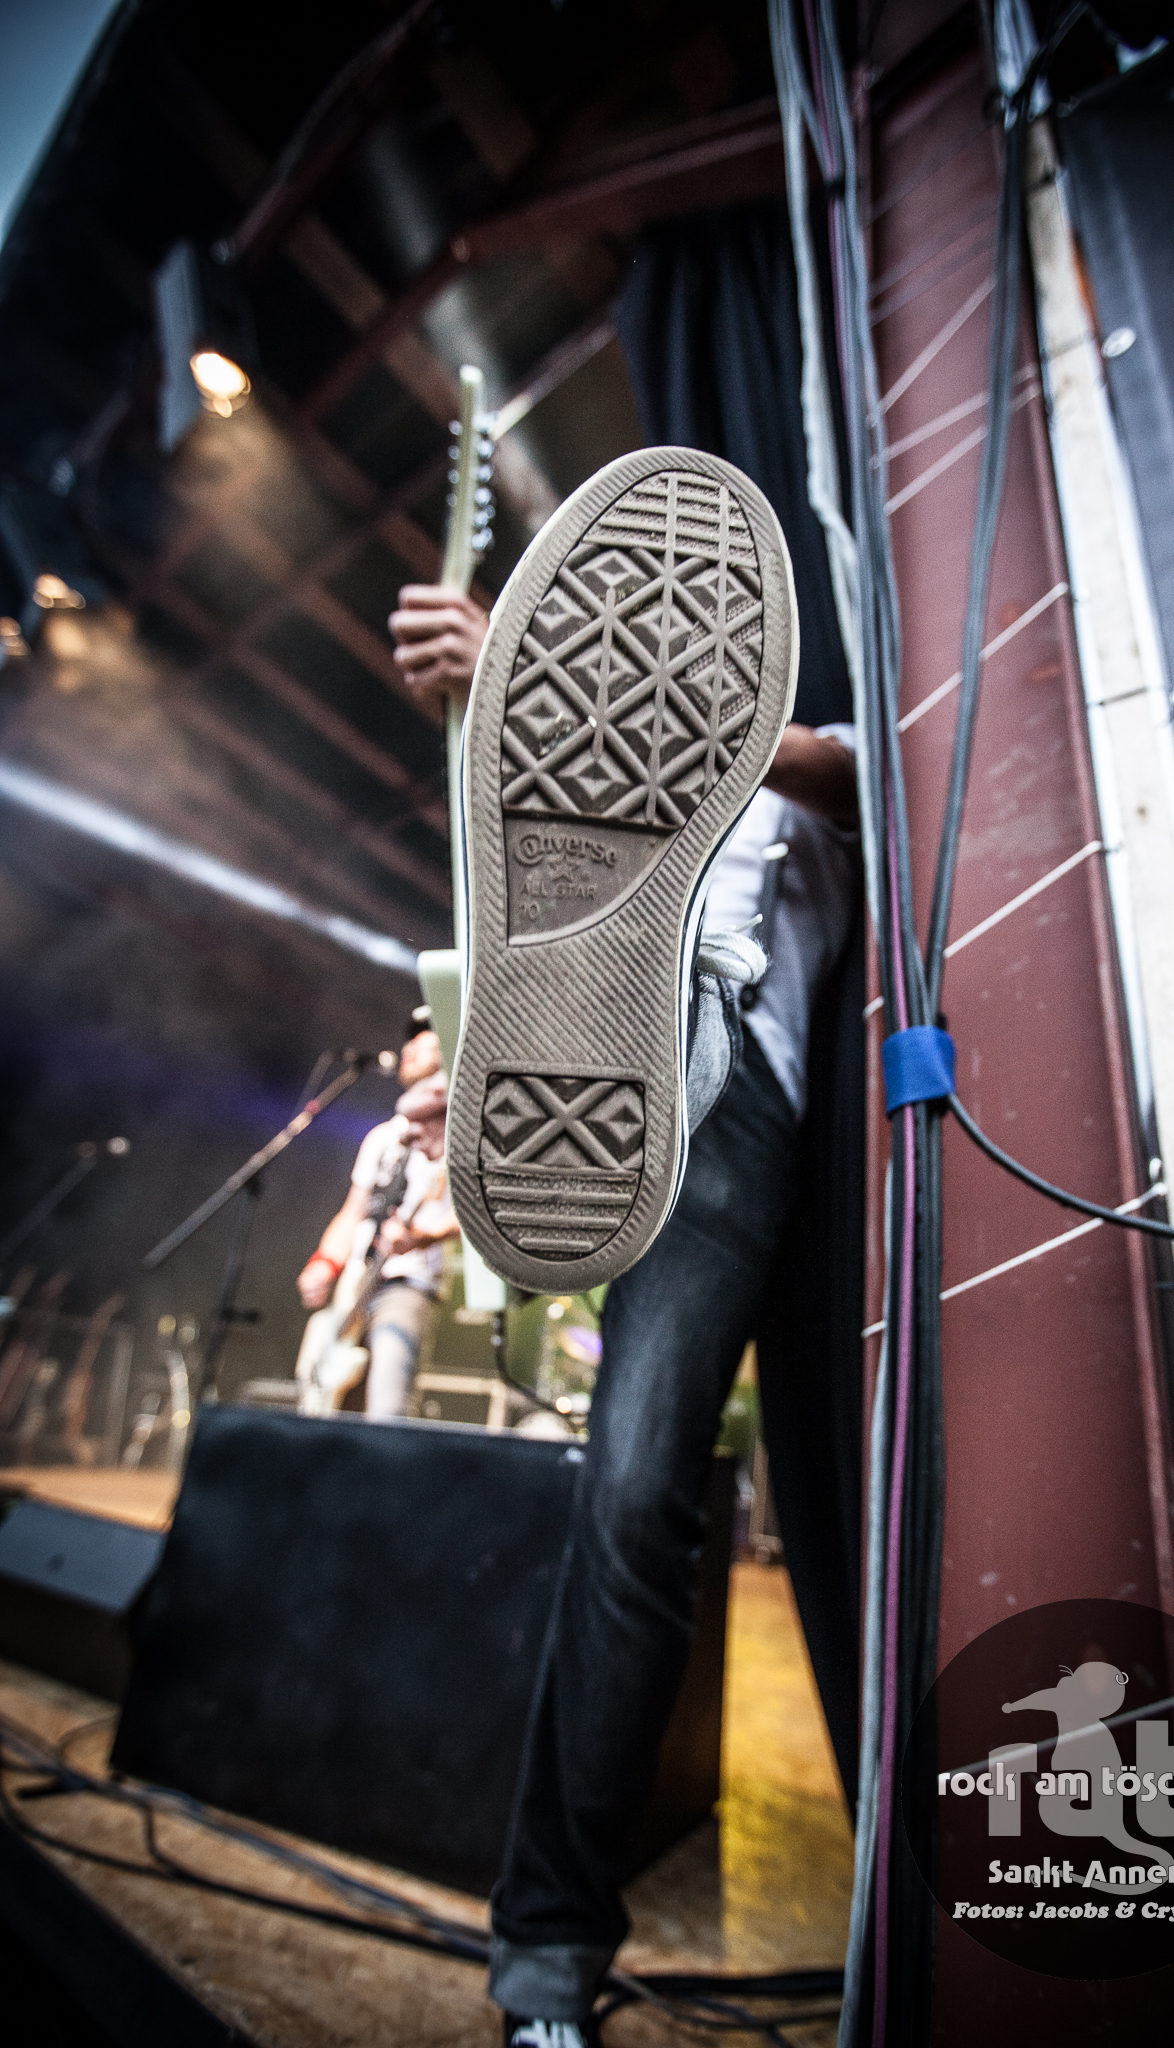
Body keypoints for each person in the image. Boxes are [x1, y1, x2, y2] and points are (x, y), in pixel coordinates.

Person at [389, 570, 858, 2043]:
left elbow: (846, 771)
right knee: (630, 1494)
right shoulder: (625, 765)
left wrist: (535, 664)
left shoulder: (831, 741)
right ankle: (546, 1947)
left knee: (689, 1500)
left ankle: (909, 1928)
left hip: (776, 1113)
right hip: (637, 1049)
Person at [296, 1021, 459, 1417]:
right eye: (409, 1042)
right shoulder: (382, 1137)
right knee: (327, 1401)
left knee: (388, 1402)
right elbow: (353, 1212)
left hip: (409, 1282)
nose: (410, 1048)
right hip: (357, 1281)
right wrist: (324, 1264)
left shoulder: (455, 1137)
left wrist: (423, 1235)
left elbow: (471, 1215)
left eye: (424, 1042)